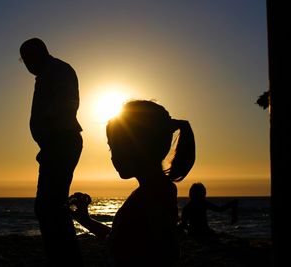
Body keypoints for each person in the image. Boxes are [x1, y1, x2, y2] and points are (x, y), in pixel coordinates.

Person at [69, 100, 196, 266]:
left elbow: (164, 252)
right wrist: (86, 220)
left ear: (139, 147)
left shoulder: (152, 196)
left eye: (115, 146)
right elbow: (121, 239)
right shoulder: (157, 191)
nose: (113, 156)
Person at [19, 37, 84, 266]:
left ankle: (65, 259)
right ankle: (63, 257)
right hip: (55, 143)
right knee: (50, 207)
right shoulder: (50, 72)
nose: (26, 65)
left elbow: (67, 104)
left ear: (38, 54)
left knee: (49, 207)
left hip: (61, 142)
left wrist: (51, 134)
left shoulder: (56, 71)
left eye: (27, 59)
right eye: (23, 60)